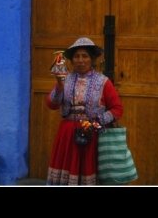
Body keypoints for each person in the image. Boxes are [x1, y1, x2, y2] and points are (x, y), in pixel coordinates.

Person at [45, 37, 123, 185]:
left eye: (85, 56)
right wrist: (59, 86)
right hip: (67, 135)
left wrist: (96, 122)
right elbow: (51, 104)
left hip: (92, 134)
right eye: (76, 56)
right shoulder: (65, 80)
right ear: (72, 60)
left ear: (92, 59)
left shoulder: (103, 82)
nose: (80, 60)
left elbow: (117, 109)